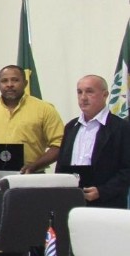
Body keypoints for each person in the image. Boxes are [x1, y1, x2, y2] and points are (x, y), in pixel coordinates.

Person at [55, 75, 130, 209]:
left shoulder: (121, 127)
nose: (83, 97)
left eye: (89, 92)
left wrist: (102, 191)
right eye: (79, 92)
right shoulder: (71, 127)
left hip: (107, 204)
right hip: (72, 201)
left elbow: (127, 169)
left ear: (105, 95)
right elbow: (61, 164)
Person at [0, 65, 65, 174]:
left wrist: (35, 166)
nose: (9, 84)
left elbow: (59, 145)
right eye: (4, 81)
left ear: (25, 83)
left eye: (15, 80)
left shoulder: (45, 109)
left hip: (33, 175)